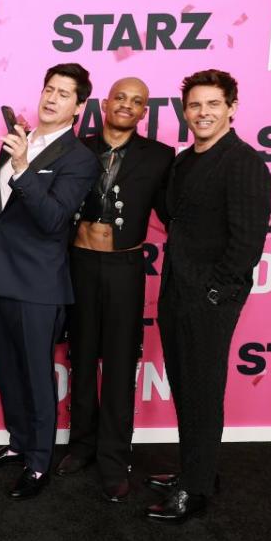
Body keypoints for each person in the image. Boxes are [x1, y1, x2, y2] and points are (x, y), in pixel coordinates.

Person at [145, 69, 271, 523]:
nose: (202, 113)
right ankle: (198, 470)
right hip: (176, 290)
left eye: (213, 104)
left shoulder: (243, 162)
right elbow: (173, 215)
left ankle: (195, 492)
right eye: (195, 105)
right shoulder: (184, 160)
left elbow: (247, 242)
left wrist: (215, 293)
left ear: (231, 108)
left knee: (202, 390)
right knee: (186, 386)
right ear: (186, 110)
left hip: (210, 299)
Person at [0, 63, 100, 500]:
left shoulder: (80, 158)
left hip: (39, 286)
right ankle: (19, 443)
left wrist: (24, 167)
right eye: (49, 89)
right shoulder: (19, 140)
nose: (52, 98)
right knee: (7, 372)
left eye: (64, 94)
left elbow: (53, 220)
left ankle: (40, 463)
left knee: (36, 376)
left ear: (79, 106)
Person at [57, 78, 174, 503]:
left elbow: (175, 212)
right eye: (120, 97)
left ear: (145, 111)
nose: (127, 105)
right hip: (79, 264)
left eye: (137, 101)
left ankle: (114, 458)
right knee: (82, 359)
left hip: (125, 267)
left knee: (121, 365)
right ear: (104, 103)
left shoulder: (161, 157)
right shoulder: (76, 147)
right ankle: (81, 447)